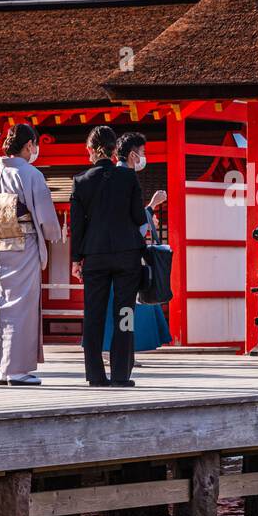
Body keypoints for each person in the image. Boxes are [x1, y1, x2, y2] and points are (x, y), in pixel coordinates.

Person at [0, 124, 63, 385]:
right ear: (29, 145)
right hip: (21, 245)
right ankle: (17, 370)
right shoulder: (30, 173)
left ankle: (3, 368)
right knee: (21, 307)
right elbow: (45, 215)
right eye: (34, 146)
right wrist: (53, 233)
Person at [69, 125, 147, 387]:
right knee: (124, 312)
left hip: (95, 255)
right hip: (126, 255)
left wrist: (76, 259)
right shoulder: (128, 178)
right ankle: (121, 374)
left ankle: (95, 375)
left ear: (90, 151)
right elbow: (138, 216)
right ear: (115, 151)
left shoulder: (81, 181)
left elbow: (76, 226)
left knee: (94, 315)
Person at [105, 131, 170, 356]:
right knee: (126, 305)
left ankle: (117, 349)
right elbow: (134, 221)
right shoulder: (127, 178)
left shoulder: (110, 176)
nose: (144, 157)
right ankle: (123, 352)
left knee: (116, 305)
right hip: (126, 253)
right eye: (142, 152)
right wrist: (152, 206)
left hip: (108, 250)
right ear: (133, 155)